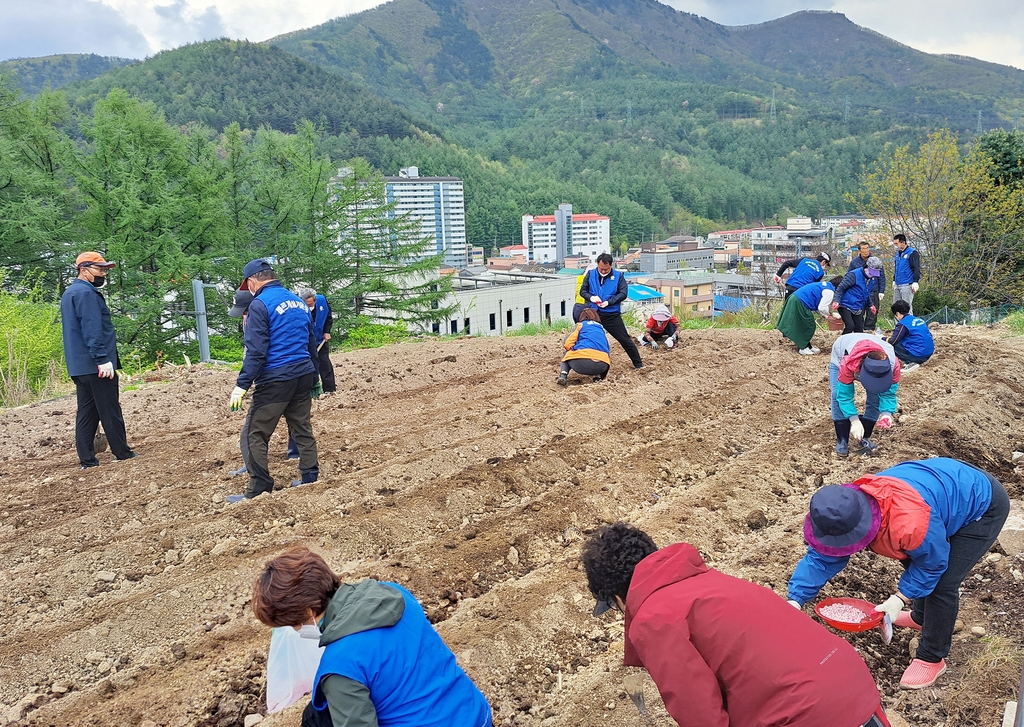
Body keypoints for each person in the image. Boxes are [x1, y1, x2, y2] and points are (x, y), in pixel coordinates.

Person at [582, 523, 891, 727]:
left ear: (618, 596)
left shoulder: (653, 619)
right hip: (857, 690)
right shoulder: (710, 581)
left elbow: (700, 714)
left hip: (807, 715)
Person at [788, 458, 1010, 690]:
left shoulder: (909, 523)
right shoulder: (840, 512)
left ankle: (931, 657)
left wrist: (900, 597)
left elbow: (932, 563)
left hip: (981, 504)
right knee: (915, 555)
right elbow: (821, 558)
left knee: (943, 583)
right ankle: (920, 618)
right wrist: (795, 599)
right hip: (940, 488)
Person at [251, 547, 492, 727]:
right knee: (317, 714)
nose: (294, 630)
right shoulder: (392, 593)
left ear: (308, 612)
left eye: (291, 624)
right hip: (476, 714)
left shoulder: (339, 668)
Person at [227, 259, 321, 503]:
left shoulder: (260, 304)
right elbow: (310, 342)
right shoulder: (298, 302)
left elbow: (256, 351)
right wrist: (314, 376)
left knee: (253, 434)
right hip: (302, 373)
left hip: (276, 378)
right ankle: (310, 476)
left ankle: (259, 487)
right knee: (301, 427)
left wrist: (242, 385)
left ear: (252, 281)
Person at [60, 251, 138, 469]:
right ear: (83, 270)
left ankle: (87, 459)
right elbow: (92, 329)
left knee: (87, 412)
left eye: (105, 269)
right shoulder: (87, 294)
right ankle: (122, 452)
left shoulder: (70, 293)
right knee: (109, 408)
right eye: (100, 269)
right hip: (96, 365)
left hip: (79, 366)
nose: (103, 273)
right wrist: (102, 359)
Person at [829, 332, 901, 457]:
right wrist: (854, 420)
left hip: (870, 353)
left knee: (875, 396)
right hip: (841, 351)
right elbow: (844, 396)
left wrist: (886, 414)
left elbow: (888, 393)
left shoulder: (893, 365)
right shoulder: (848, 362)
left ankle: (865, 437)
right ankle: (842, 440)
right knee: (836, 394)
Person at [578, 253, 643, 369]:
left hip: (611, 314)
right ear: (597, 265)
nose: (603, 271)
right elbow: (583, 291)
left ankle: (638, 364)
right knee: (587, 338)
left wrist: (609, 302)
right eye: (601, 269)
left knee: (624, 339)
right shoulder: (590, 274)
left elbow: (623, 293)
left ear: (611, 265)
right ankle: (581, 363)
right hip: (593, 313)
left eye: (606, 269)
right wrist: (591, 297)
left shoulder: (618, 276)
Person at [776, 277, 840, 355]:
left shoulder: (826, 285)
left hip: (797, 299)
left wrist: (825, 316)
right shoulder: (830, 292)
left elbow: (817, 305)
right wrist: (830, 315)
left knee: (806, 324)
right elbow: (822, 307)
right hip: (799, 301)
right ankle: (803, 348)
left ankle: (808, 346)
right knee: (808, 325)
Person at [296, 287, 336, 394]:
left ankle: (329, 389)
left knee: (324, 363)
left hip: (320, 338)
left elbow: (328, 317)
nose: (311, 306)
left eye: (312, 303)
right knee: (308, 365)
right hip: (306, 341)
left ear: (315, 299)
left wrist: (327, 331)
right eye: (308, 305)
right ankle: (308, 389)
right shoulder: (297, 308)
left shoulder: (322, 300)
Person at [558, 308, 610, 386]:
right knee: (600, 354)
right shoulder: (601, 328)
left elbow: (567, 344)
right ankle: (597, 377)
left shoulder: (580, 325)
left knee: (566, 353)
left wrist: (574, 348)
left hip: (581, 363)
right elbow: (607, 347)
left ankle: (563, 375)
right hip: (602, 365)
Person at [833, 256, 883, 334]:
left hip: (857, 306)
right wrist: (836, 301)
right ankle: (842, 341)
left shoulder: (871, 280)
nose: (873, 275)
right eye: (872, 272)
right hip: (845, 305)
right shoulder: (853, 275)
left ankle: (856, 344)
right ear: (867, 267)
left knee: (859, 329)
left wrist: (871, 305)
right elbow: (840, 288)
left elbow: (866, 293)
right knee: (850, 326)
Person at [848, 243, 886, 333]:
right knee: (858, 313)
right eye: (863, 249)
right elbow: (850, 276)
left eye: (867, 248)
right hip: (859, 292)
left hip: (873, 290)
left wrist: (881, 291)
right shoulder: (854, 262)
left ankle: (869, 331)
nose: (866, 250)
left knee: (872, 314)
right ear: (859, 251)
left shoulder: (875, 261)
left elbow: (881, 276)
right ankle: (859, 332)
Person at [888, 300, 934, 370]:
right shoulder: (918, 320)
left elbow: (893, 341)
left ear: (897, 313)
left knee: (892, 345)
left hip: (918, 355)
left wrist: (884, 339)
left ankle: (910, 362)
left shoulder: (903, 324)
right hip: (928, 353)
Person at [892, 234, 922, 313]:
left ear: (903, 243)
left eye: (896, 244)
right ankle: (898, 325)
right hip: (898, 284)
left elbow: (916, 267)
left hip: (907, 284)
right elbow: (897, 268)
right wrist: (894, 280)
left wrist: (915, 281)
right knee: (896, 308)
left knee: (906, 308)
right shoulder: (898, 254)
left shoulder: (912, 253)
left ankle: (908, 325)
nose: (895, 246)